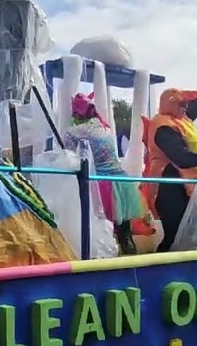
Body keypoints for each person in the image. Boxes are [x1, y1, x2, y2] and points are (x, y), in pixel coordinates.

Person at [139, 58, 197, 251]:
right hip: (167, 186)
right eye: (181, 105)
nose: (185, 108)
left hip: (183, 187)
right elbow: (181, 157)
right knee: (174, 234)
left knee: (185, 235)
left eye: (185, 105)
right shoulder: (163, 126)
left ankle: (176, 272)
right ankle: (157, 273)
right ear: (170, 104)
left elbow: (196, 104)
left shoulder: (180, 119)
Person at [63, 92, 150, 254]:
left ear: (77, 113)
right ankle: (131, 258)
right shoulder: (105, 127)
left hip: (100, 182)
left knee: (100, 224)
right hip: (120, 179)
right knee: (124, 229)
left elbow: (68, 155)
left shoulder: (75, 131)